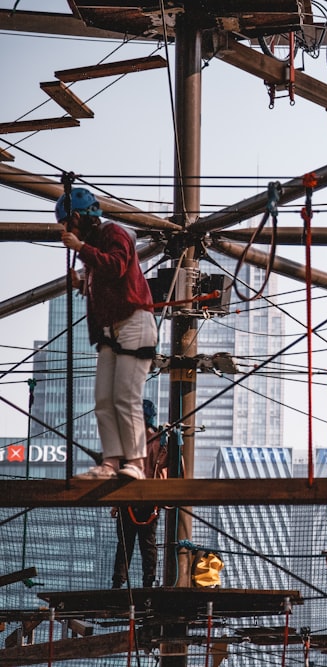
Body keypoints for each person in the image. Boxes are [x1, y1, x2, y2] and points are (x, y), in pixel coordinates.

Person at [56, 187, 157, 479]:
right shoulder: (96, 244)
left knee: (125, 396)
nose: (66, 230)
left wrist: (80, 248)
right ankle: (111, 462)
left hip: (134, 321)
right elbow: (107, 282)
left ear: (77, 217)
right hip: (111, 327)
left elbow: (117, 266)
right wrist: (81, 283)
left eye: (67, 224)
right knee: (103, 399)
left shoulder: (115, 233)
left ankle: (136, 462)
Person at [112, 400, 167, 589]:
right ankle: (147, 583)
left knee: (126, 544)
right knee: (147, 544)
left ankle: (119, 582)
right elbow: (167, 469)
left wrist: (114, 502)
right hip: (149, 500)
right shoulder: (161, 440)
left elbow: (118, 471)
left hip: (128, 499)